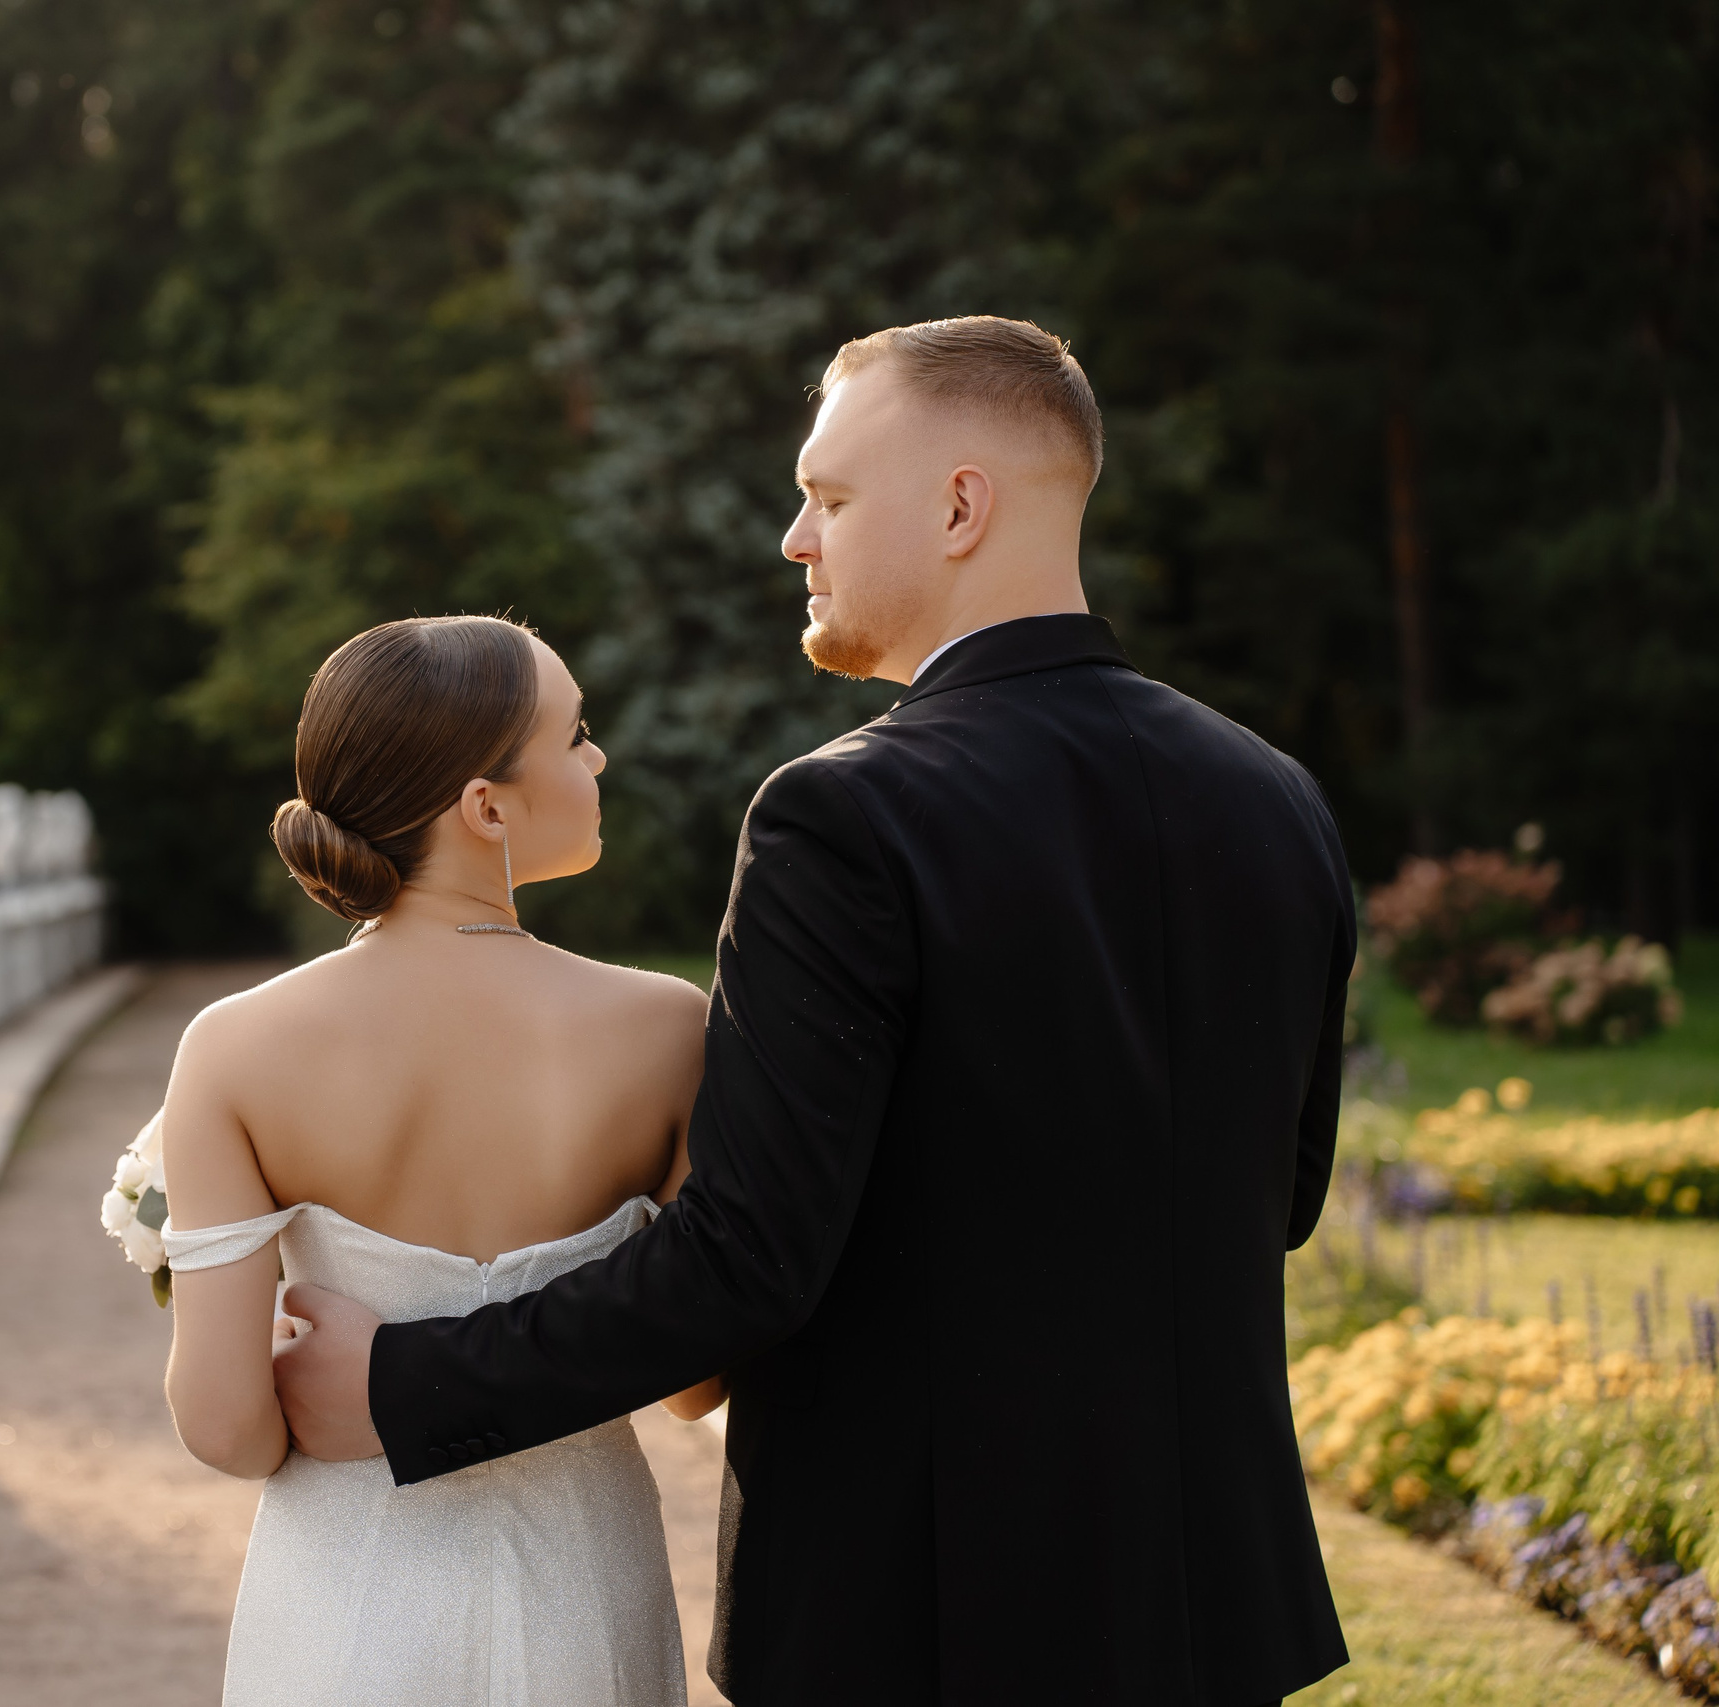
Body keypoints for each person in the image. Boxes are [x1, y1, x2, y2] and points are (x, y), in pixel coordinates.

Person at [272, 317, 1356, 1705]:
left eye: (831, 496)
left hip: (923, 1617)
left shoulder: (844, 812)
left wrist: (407, 1378)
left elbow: (748, 1258)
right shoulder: (1276, 796)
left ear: (963, 504)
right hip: (1213, 1611)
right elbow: (1285, 1193)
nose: (796, 536)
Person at [157, 614, 721, 1705]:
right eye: (575, 734)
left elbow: (225, 1428)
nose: (597, 758)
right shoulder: (665, 1028)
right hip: (584, 1585)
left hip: (346, 1598)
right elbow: (699, 1378)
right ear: (486, 808)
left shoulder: (235, 1046)